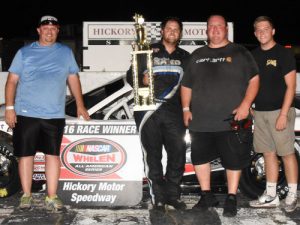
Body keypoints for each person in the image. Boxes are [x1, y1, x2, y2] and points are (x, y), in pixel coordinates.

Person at [4, 15, 90, 211]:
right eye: (45, 28)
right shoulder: (24, 53)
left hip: (54, 114)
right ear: (39, 30)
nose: (49, 31)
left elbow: (73, 78)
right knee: (26, 156)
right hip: (26, 113)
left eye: (53, 28)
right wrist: (10, 108)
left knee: (52, 155)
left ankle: (52, 195)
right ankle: (26, 195)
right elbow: (11, 81)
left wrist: (80, 104)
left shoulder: (65, 52)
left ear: (57, 31)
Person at [181, 14, 259, 217]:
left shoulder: (240, 52)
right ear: (206, 30)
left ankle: (231, 197)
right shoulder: (197, 55)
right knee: (199, 159)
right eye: (211, 26)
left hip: (232, 120)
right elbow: (186, 85)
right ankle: (206, 196)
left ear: (226, 29)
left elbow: (254, 80)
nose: (215, 29)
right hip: (201, 120)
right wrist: (185, 109)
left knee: (233, 160)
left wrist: (245, 105)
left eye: (219, 26)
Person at [126, 17, 190, 210]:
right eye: (168, 28)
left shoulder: (186, 57)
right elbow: (130, 75)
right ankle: (158, 197)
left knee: (177, 154)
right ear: (162, 31)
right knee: (152, 156)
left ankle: (173, 195)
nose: (172, 32)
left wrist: (188, 109)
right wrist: (141, 78)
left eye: (176, 29)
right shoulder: (147, 50)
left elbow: (191, 86)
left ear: (180, 33)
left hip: (175, 112)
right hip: (148, 112)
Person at [249, 16, 298, 212]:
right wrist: (250, 107)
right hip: (260, 113)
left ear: (273, 31)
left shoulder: (284, 54)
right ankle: (271, 195)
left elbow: (291, 86)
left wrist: (283, 114)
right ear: (254, 33)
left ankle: (293, 194)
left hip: (280, 111)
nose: (262, 32)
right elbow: (249, 84)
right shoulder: (252, 55)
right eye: (258, 30)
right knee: (268, 153)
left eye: (266, 29)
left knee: (287, 153)